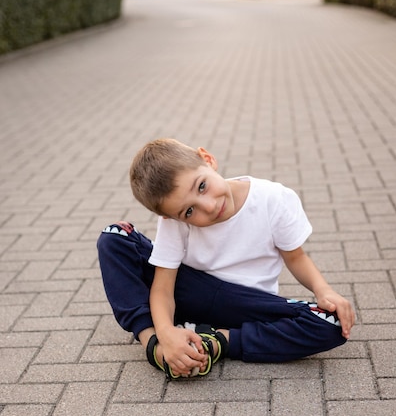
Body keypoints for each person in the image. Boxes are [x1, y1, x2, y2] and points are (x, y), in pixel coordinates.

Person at [97, 138, 354, 380]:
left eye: (201, 186)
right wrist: (164, 334)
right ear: (171, 217)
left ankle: (218, 341)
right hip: (191, 293)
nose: (208, 207)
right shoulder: (173, 223)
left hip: (244, 306)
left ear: (207, 159)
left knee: (330, 322)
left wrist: (323, 289)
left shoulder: (272, 199)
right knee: (115, 237)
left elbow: (296, 258)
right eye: (188, 211)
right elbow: (163, 288)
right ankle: (156, 346)